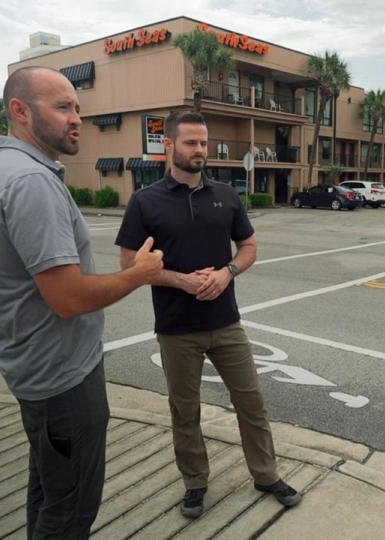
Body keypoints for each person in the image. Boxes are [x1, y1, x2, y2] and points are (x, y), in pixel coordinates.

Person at [0, 66, 163, 538]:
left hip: (38, 372)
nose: (76, 118)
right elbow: (68, 298)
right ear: (20, 111)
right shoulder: (30, 182)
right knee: (71, 509)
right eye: (62, 107)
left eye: (77, 107)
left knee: (49, 490)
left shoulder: (1, 170)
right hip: (62, 380)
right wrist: (138, 275)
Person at [115, 111, 301, 519]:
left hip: (226, 323)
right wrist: (182, 281)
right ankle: (195, 483)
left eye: (204, 143)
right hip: (177, 328)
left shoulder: (225, 195)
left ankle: (265, 474)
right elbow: (130, 264)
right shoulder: (146, 202)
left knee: (251, 403)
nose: (201, 150)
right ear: (170, 146)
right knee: (185, 410)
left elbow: (249, 246)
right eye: (191, 143)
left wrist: (227, 272)